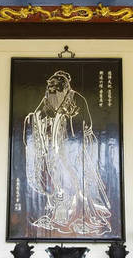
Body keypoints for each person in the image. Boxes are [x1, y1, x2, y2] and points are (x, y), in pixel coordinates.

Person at [23, 70, 111, 236]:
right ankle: (59, 215)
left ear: (64, 88)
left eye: (56, 89)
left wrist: (66, 121)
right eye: (50, 89)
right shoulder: (47, 99)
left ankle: (80, 215)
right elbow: (39, 114)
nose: (52, 93)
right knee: (58, 180)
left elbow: (87, 125)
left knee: (75, 179)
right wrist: (36, 120)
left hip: (74, 149)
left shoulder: (77, 99)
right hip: (55, 148)